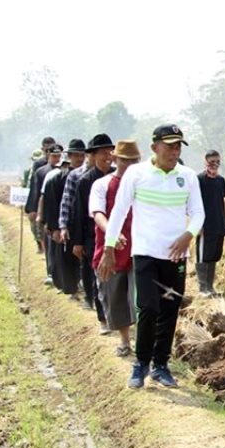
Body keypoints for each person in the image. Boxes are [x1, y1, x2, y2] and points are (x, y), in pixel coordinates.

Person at [99, 124, 204, 389]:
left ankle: (161, 366)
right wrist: (109, 249)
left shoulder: (188, 176)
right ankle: (140, 364)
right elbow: (119, 211)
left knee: (169, 310)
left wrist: (188, 235)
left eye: (178, 146)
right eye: (169, 145)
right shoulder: (136, 173)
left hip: (175, 258)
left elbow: (199, 213)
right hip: (145, 254)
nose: (174, 151)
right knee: (148, 307)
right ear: (154, 147)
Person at [90, 139, 140, 357]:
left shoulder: (143, 185)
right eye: (124, 160)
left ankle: (144, 340)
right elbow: (98, 213)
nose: (129, 165)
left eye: (133, 161)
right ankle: (124, 340)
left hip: (140, 246)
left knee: (140, 297)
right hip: (111, 248)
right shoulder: (101, 184)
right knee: (115, 294)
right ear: (115, 159)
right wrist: (113, 234)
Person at [70, 134, 115, 332]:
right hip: (92, 236)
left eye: (110, 152)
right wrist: (77, 242)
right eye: (103, 153)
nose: (108, 156)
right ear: (94, 156)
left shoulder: (117, 178)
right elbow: (78, 214)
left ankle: (117, 316)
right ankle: (103, 318)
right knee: (97, 277)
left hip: (117, 236)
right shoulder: (85, 181)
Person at [40, 152, 80, 295]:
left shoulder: (85, 177)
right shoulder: (54, 180)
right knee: (63, 257)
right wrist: (54, 227)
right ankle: (68, 286)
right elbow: (51, 205)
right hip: (63, 225)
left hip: (79, 224)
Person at [196, 150, 225, 296]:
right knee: (204, 255)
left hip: (218, 224)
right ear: (205, 162)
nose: (215, 164)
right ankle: (202, 288)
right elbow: (194, 203)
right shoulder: (199, 179)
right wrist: (197, 224)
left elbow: (221, 202)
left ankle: (210, 287)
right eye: (212, 162)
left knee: (215, 255)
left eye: (217, 161)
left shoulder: (220, 180)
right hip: (205, 225)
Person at [32, 143, 63, 280]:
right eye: (54, 156)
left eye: (59, 156)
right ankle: (51, 272)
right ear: (48, 155)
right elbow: (37, 194)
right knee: (49, 245)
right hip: (47, 213)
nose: (56, 159)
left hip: (61, 213)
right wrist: (36, 212)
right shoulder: (42, 172)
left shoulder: (67, 172)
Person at [25, 136, 56, 253]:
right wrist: (32, 208)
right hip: (41, 200)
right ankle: (42, 247)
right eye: (47, 150)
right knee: (40, 228)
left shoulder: (62, 165)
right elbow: (35, 187)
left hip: (56, 201)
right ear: (44, 150)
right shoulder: (39, 166)